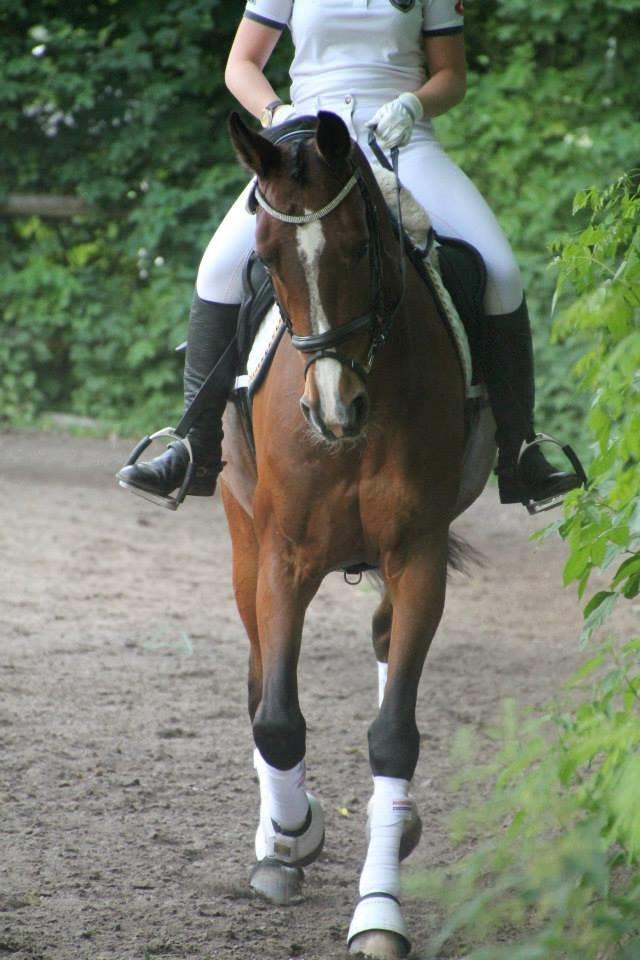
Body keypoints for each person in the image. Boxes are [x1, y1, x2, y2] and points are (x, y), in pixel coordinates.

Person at [117, 0, 581, 509]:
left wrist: (413, 105)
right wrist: (278, 113)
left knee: (500, 271)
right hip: (307, 141)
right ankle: (194, 444)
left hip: (402, 139)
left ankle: (522, 451)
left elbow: (451, 75)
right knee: (219, 272)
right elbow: (241, 64)